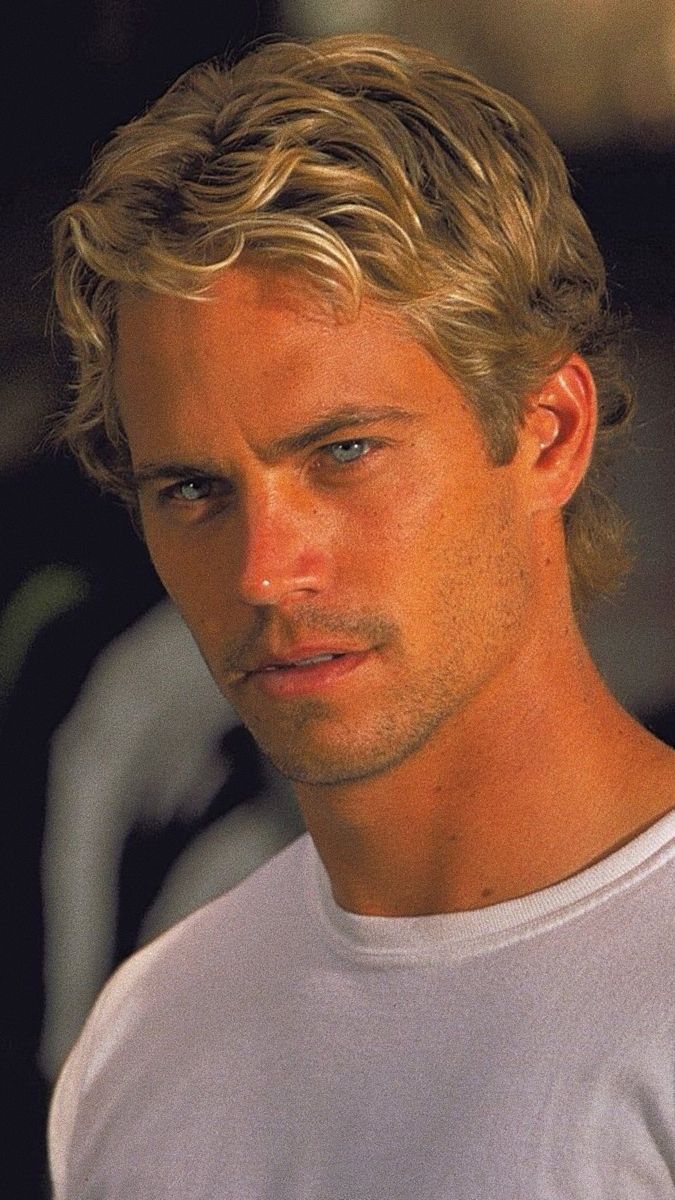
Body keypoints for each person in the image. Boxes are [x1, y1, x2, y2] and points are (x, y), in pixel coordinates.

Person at [47, 33, 675, 1199]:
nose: (264, 573)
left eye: (343, 453)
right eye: (193, 488)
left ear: (549, 433)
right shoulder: (144, 1041)